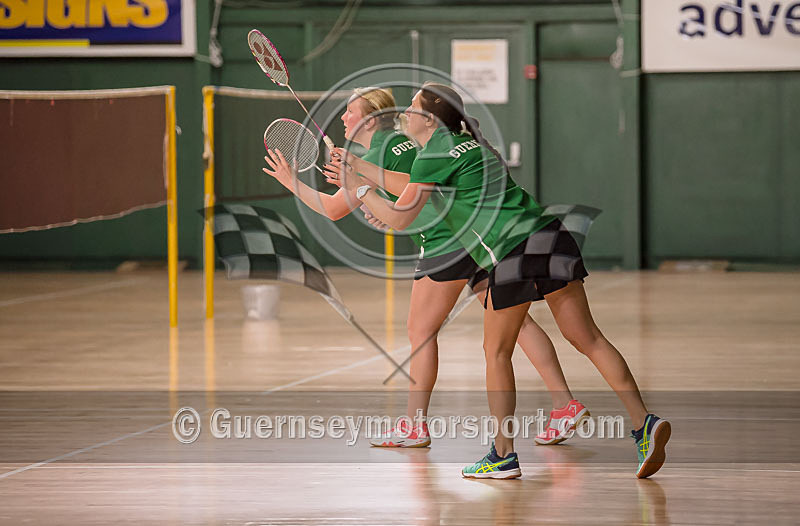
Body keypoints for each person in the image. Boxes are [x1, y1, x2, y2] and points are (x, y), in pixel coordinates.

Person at [331, 82, 670, 479]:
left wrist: (360, 187)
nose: (405, 110)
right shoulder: (471, 143)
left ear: (429, 119)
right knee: (588, 337)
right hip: (550, 235)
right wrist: (359, 169)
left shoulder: (432, 155)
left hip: (511, 251)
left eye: (413, 104)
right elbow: (413, 187)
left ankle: (503, 455)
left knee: (496, 352)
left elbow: (401, 216)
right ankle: (643, 423)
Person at [263, 87, 590, 451]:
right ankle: (564, 403)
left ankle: (416, 425)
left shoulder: (381, 149)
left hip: (443, 243)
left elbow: (346, 205)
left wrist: (294, 182)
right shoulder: (404, 143)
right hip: (472, 237)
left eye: (350, 111)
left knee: (420, 331)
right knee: (519, 323)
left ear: (370, 118)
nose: (343, 118)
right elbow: (399, 191)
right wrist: (370, 191)